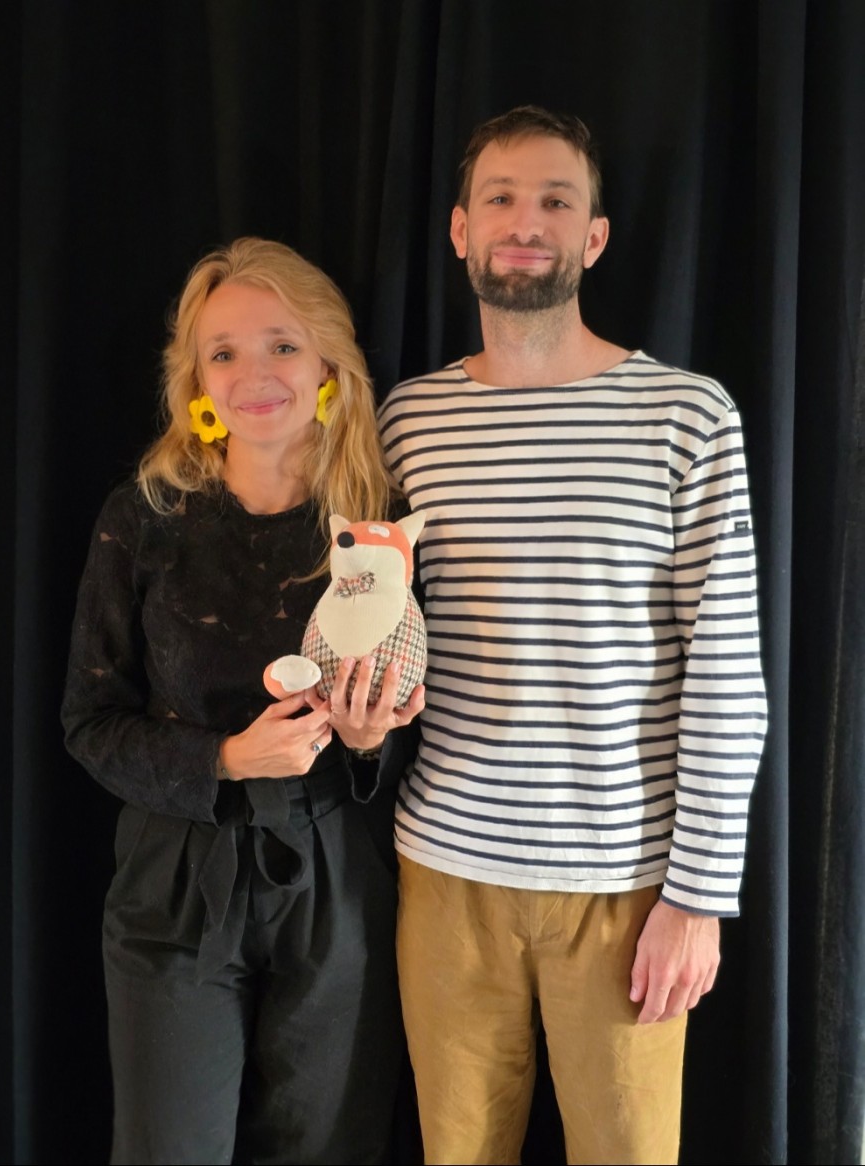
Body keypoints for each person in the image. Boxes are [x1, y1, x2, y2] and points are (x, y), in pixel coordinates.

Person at [378, 105, 767, 1165]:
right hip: (444, 874)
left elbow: (725, 672)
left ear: (592, 237)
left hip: (624, 883)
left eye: (555, 200)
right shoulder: (406, 422)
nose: (525, 221)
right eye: (500, 197)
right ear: (459, 229)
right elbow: (382, 630)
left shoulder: (686, 414)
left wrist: (697, 896)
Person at [62, 236, 425, 1165]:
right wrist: (224, 759)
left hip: (336, 868)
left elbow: (415, 730)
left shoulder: (379, 523)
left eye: (282, 345)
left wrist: (367, 740)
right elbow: (88, 724)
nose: (254, 374)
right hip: (175, 874)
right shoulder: (143, 517)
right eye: (222, 352)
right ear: (196, 382)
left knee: (327, 1145)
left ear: (329, 368)